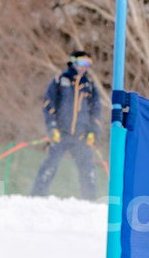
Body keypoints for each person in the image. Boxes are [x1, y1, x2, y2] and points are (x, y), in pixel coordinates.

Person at [30, 50, 102, 199]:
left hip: (81, 136)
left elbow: (96, 110)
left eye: (88, 64)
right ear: (73, 62)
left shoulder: (88, 86)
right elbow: (49, 104)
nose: (84, 67)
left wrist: (93, 132)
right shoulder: (61, 80)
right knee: (50, 166)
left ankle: (89, 199)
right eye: (82, 63)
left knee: (87, 169)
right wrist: (52, 127)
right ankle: (37, 196)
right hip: (61, 134)